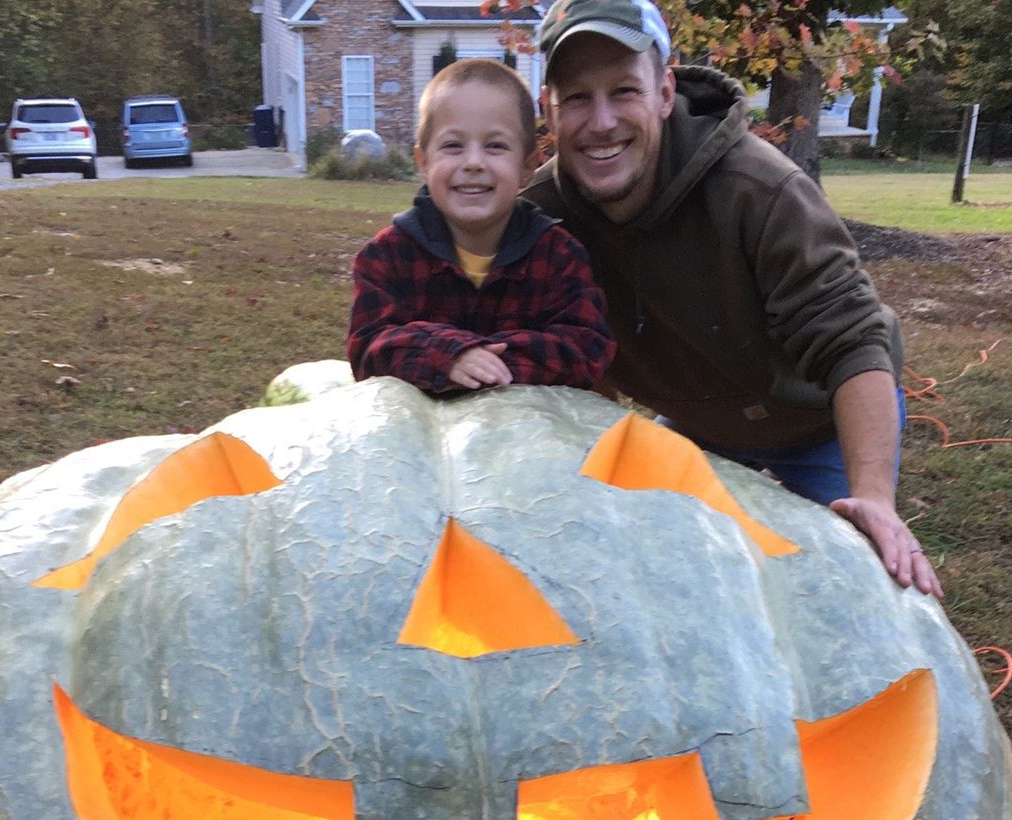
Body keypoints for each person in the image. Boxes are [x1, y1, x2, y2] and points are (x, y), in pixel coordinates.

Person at [525, 0, 942, 597]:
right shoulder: (542, 220)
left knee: (848, 592)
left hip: (815, 416)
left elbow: (852, 341)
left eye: (623, 91)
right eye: (576, 98)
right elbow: (554, 354)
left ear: (665, 93)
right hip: (701, 422)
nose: (601, 122)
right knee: (664, 582)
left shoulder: (759, 191)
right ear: (549, 109)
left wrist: (873, 497)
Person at [348, 59, 615, 394]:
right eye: (453, 145)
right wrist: (446, 354)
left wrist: (491, 363)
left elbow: (586, 347)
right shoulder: (386, 258)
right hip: (419, 441)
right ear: (423, 162)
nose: (473, 163)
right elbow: (368, 348)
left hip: (528, 437)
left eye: (495, 146)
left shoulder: (560, 257)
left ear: (528, 166)